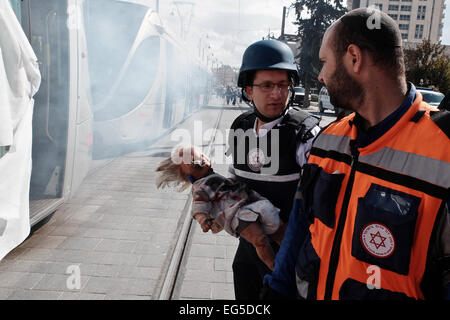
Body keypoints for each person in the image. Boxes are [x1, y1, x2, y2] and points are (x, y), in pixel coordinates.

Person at [263, 8, 450, 300]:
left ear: (354, 58)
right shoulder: (329, 141)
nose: (321, 76)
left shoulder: (444, 151)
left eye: (324, 62)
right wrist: (275, 289)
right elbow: (300, 228)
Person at [227, 39, 321, 299]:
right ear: (248, 90)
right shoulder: (240, 126)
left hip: (288, 257)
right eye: (267, 85)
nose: (277, 94)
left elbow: (320, 207)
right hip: (247, 250)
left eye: (283, 85)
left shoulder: (306, 134)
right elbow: (235, 182)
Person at [155, 145, 286, 270]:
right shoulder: (200, 187)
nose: (200, 160)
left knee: (279, 229)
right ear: (188, 175)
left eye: (201, 156)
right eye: (193, 163)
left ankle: (289, 256)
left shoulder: (214, 176)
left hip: (253, 203)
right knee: (260, 240)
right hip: (237, 215)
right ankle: (275, 268)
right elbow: (198, 207)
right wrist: (203, 220)